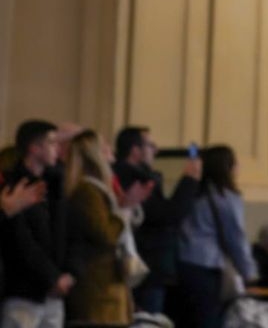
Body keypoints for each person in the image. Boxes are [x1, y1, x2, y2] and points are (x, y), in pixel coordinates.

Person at [63, 130, 150, 328]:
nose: (110, 151)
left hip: (108, 289)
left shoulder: (99, 189)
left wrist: (126, 208)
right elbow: (106, 234)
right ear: (95, 155)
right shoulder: (87, 191)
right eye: (104, 147)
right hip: (98, 292)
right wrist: (123, 210)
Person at [112, 126, 202, 314]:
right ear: (136, 151)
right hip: (146, 265)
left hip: (148, 265)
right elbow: (166, 216)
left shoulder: (137, 174)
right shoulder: (132, 178)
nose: (156, 150)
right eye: (151, 146)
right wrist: (189, 180)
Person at [2, 120, 72, 328]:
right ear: (34, 148)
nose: (57, 149)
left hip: (54, 292)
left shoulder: (55, 184)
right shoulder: (15, 186)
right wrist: (51, 277)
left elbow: (65, 234)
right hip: (23, 292)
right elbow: (21, 241)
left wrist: (66, 274)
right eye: (51, 143)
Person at [176, 146, 255, 328]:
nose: (238, 167)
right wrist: (248, 270)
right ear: (226, 167)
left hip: (182, 263)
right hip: (207, 264)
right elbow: (235, 236)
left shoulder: (194, 193)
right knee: (208, 319)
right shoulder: (226, 197)